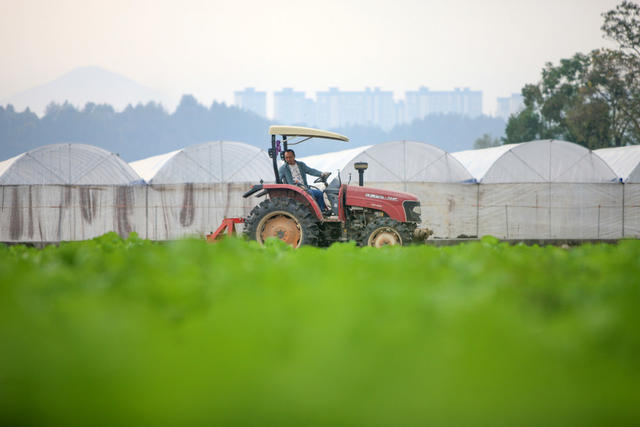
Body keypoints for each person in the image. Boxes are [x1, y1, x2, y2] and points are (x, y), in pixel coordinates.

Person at [278, 149, 331, 213]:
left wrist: (321, 174)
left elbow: (310, 170)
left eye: (290, 157)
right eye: (287, 158)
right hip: (295, 190)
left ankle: (322, 211)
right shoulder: (283, 168)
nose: (288, 159)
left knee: (319, 193)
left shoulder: (301, 165)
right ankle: (314, 213)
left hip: (305, 188)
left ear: (294, 156)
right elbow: (278, 180)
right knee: (310, 194)